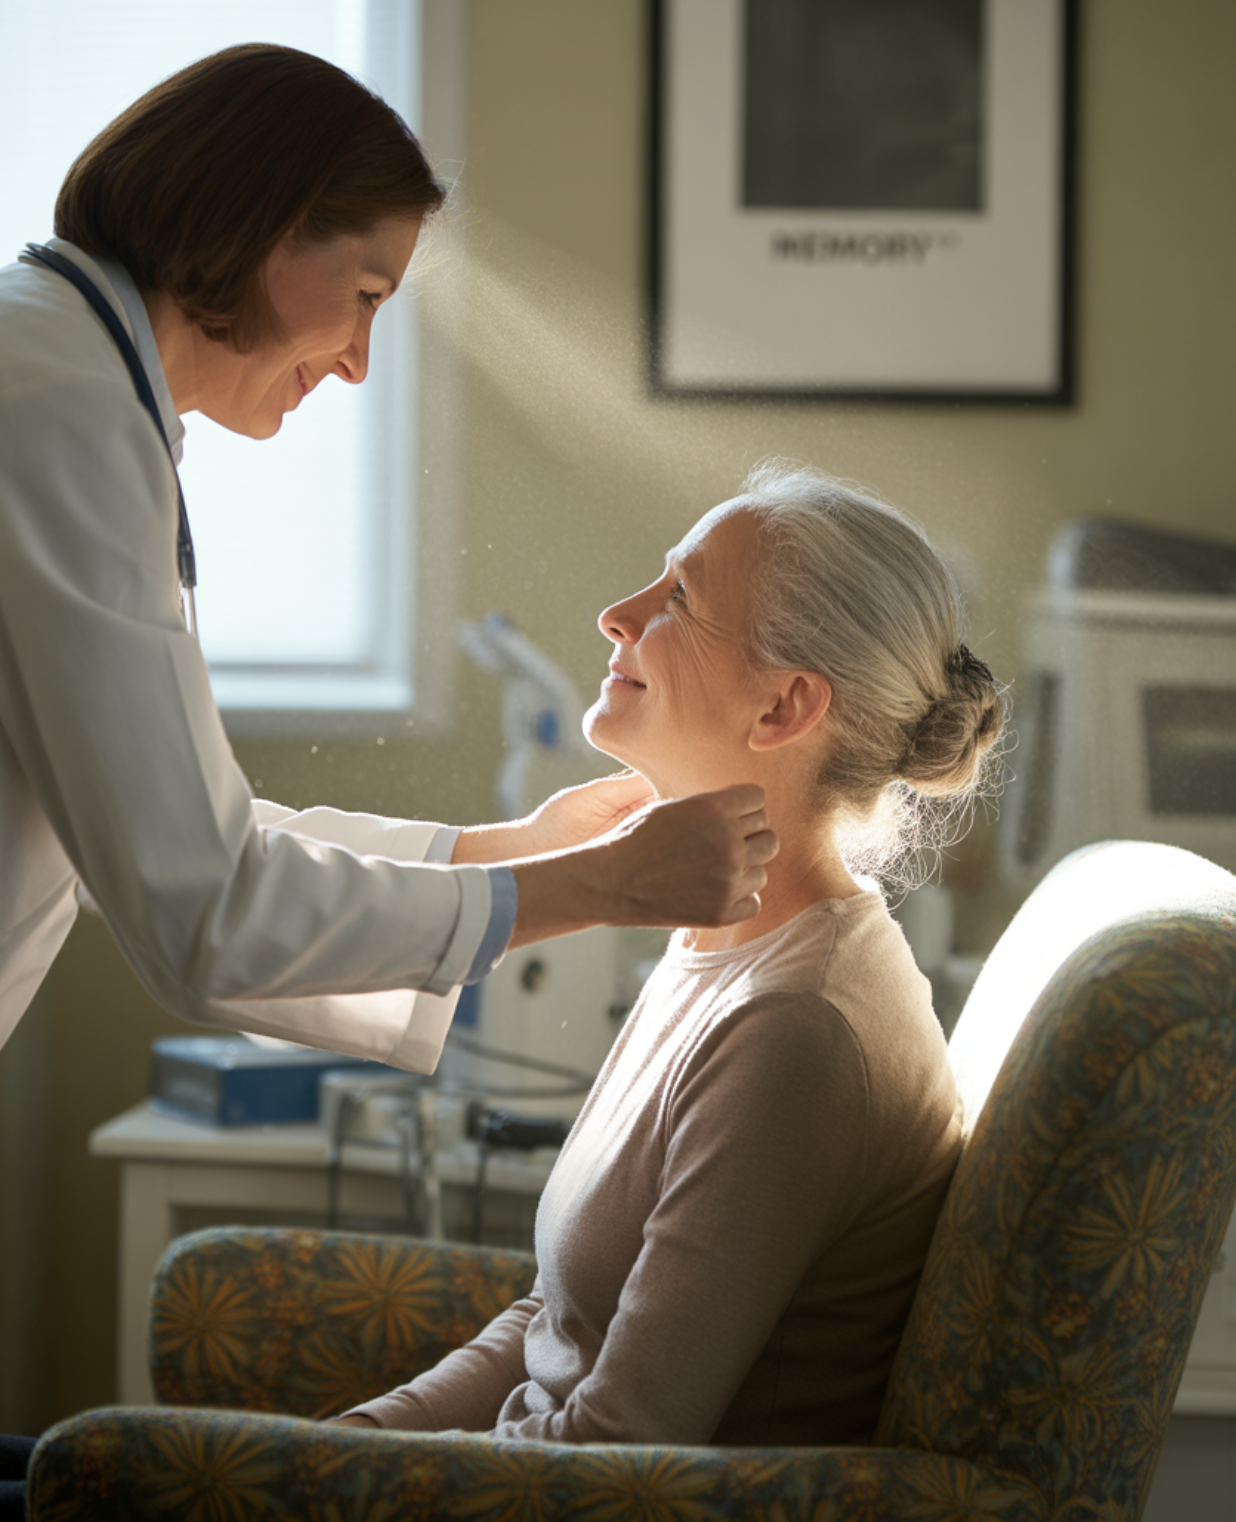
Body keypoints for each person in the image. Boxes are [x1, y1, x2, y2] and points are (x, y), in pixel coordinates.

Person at [0, 44, 776, 1070]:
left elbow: (152, 833)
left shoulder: (61, 375)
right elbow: (202, 913)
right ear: (264, 227)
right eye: (366, 293)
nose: (360, 362)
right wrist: (601, 885)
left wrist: (521, 852)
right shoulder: (67, 416)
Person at [334, 461, 1005, 1446]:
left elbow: (617, 1451)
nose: (617, 613)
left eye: (678, 598)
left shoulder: (795, 1028)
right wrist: (340, 1448)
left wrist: (314, 1485)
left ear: (782, 709)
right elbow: (557, 1324)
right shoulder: (723, 942)